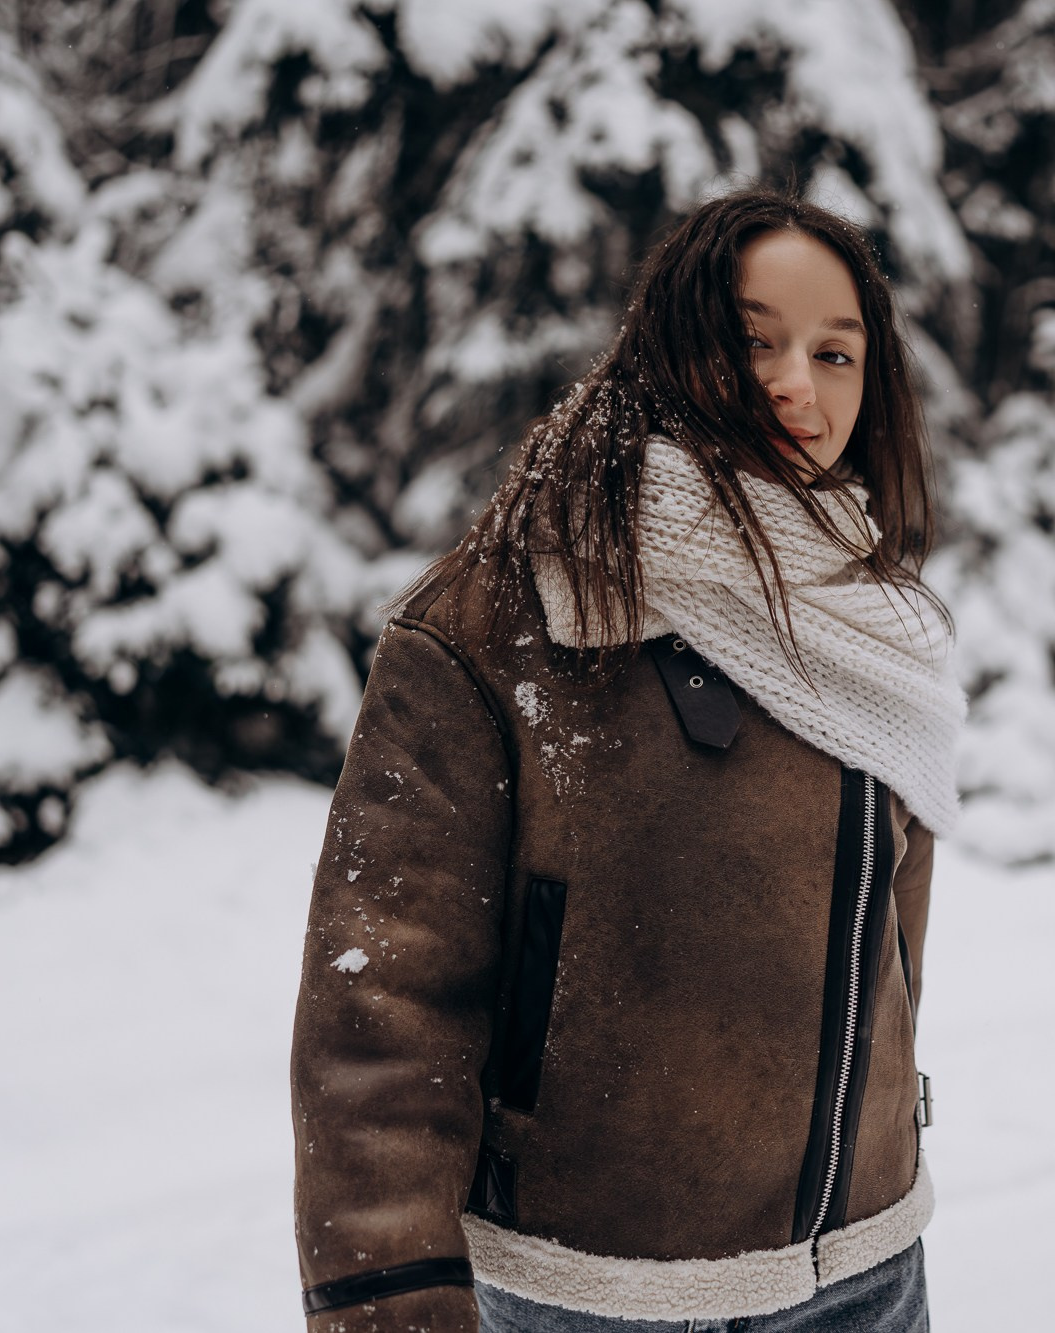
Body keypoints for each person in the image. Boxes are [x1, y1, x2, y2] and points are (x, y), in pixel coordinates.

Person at [289, 186, 964, 1333]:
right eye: (753, 340)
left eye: (834, 352)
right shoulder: (506, 617)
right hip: (597, 1297)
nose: (796, 384)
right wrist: (384, 1300)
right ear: (669, 345)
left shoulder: (872, 621)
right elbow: (380, 1011)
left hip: (866, 1272)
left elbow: (888, 940)